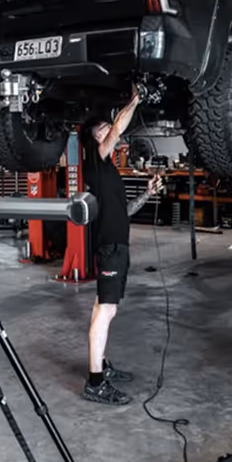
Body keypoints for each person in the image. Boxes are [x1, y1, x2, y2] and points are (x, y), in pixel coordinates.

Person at [81, 85, 163, 405]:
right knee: (107, 310)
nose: (110, 131)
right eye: (104, 129)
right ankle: (95, 382)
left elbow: (124, 212)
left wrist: (148, 193)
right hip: (110, 247)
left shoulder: (109, 172)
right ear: (96, 138)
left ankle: (99, 364)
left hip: (118, 245)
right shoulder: (96, 162)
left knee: (103, 308)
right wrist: (135, 100)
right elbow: (116, 129)